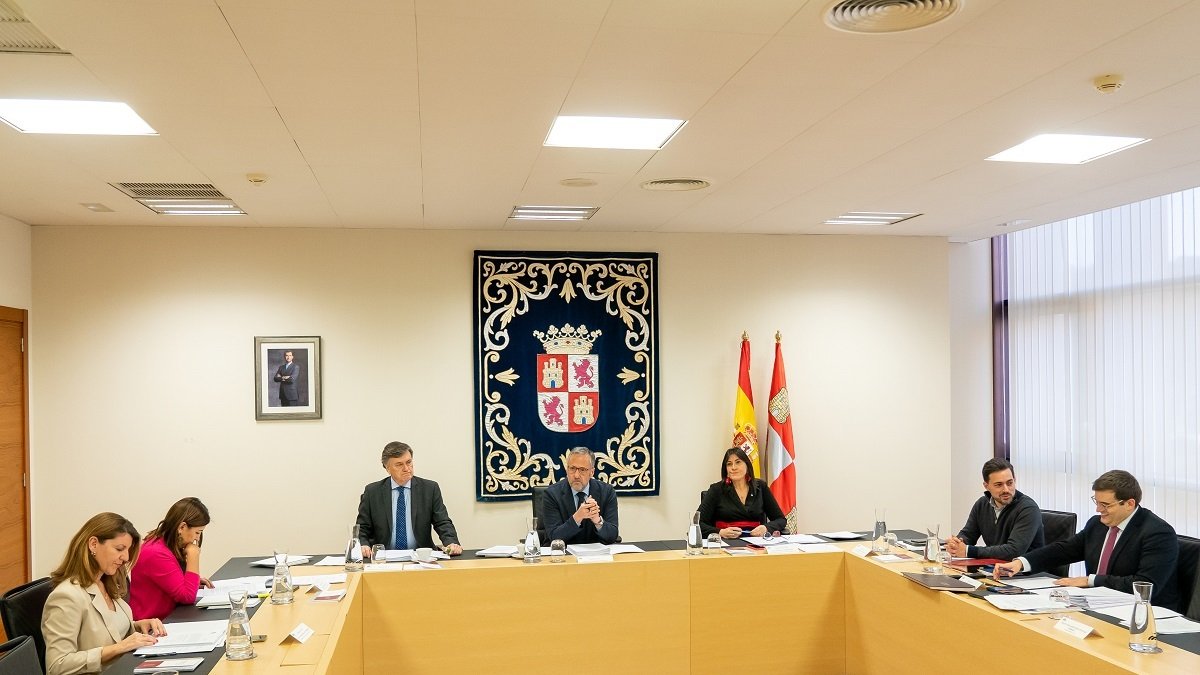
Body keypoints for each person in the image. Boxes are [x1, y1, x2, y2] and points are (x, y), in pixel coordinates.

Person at [994, 470, 1181, 610]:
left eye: (1106, 504)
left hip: (1142, 615)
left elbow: (1144, 586)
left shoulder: (1158, 534)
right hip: (1096, 606)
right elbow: (1065, 550)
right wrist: (1021, 562)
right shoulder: (1097, 524)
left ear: (1130, 503)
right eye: (1096, 502)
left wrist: (1090, 581)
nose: (1098, 510)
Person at [41, 513, 167, 675]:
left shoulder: (106, 582)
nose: (126, 557)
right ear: (93, 544)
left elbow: (106, 629)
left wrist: (137, 625)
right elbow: (57, 666)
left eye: (127, 550)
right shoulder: (66, 597)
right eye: (119, 549)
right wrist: (119, 648)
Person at [355, 441, 462, 557]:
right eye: (399, 464)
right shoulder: (372, 492)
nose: (407, 468)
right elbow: (362, 528)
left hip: (421, 556)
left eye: (409, 462)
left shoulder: (429, 489)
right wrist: (363, 545)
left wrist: (451, 543)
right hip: (384, 558)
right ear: (387, 468)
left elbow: (442, 522)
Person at [128, 497, 213, 620]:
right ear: (182, 527)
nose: (196, 539)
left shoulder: (163, 544)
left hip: (167, 619)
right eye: (197, 532)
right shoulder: (156, 553)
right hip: (151, 627)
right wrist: (194, 555)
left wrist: (192, 581)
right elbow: (187, 597)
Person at [945, 458, 1044, 560]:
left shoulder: (1028, 508)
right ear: (986, 486)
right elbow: (968, 534)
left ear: (1015, 480)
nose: (1006, 489)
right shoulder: (982, 504)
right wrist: (957, 544)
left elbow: (1014, 551)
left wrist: (968, 551)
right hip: (996, 568)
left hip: (1026, 573)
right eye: (999, 485)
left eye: (1010, 483)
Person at [699, 447, 787, 538]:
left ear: (747, 465)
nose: (733, 467)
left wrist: (766, 528)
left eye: (738, 462)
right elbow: (698, 523)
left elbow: (780, 520)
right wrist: (720, 532)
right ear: (726, 469)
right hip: (725, 543)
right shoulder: (716, 490)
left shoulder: (761, 487)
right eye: (729, 464)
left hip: (756, 543)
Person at [541, 447, 620, 545]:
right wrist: (578, 517)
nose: (576, 475)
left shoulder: (607, 492)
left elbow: (612, 536)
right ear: (567, 469)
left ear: (592, 472)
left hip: (596, 556)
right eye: (572, 468)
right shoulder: (552, 494)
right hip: (564, 556)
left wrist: (597, 520)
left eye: (582, 470)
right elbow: (554, 537)